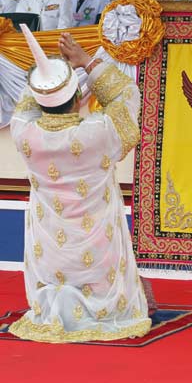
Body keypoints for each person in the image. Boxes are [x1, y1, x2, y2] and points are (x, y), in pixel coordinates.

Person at [9, 25, 151, 343]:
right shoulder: (98, 132)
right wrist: (85, 61)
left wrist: (49, 74)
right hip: (96, 247)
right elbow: (127, 94)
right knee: (102, 275)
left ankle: (54, 310)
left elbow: (27, 102)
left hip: (49, 250)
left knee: (53, 269)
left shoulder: (24, 133)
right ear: (78, 96)